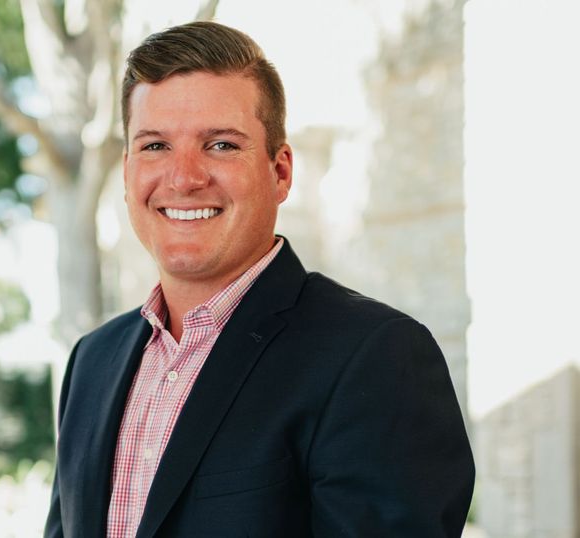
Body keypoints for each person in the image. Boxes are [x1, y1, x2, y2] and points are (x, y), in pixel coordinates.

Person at [44, 21, 474, 538]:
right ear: (128, 170)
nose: (183, 178)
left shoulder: (376, 357)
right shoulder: (91, 362)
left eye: (221, 145)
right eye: (155, 146)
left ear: (281, 171)